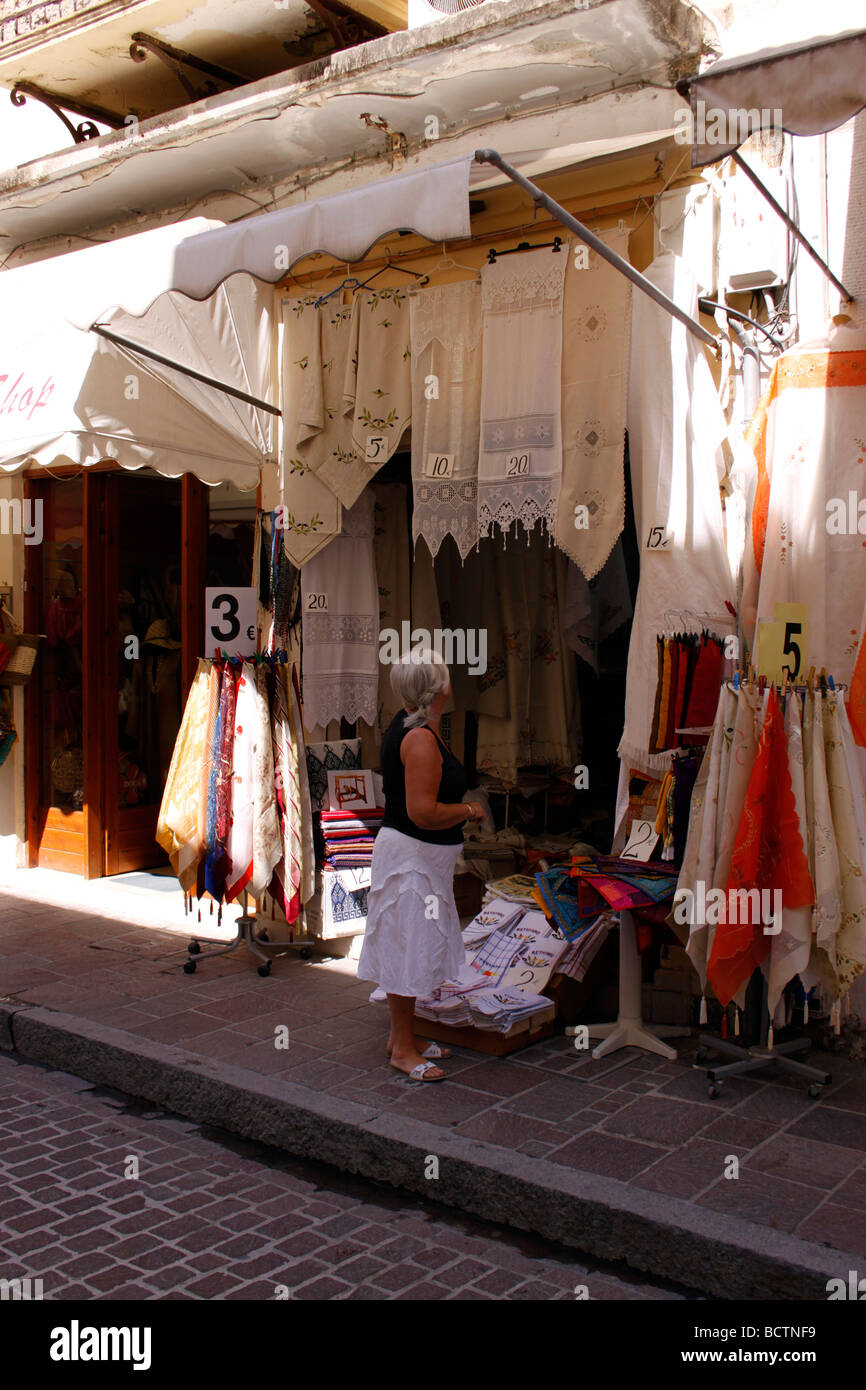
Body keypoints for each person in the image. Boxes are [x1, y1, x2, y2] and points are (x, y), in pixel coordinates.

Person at [357, 650, 485, 1081]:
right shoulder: (420, 740)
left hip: (419, 858)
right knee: (405, 949)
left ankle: (402, 1038)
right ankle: (402, 1049)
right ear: (441, 689)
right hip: (411, 857)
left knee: (409, 944)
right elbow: (423, 812)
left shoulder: (414, 726)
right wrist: (468, 811)